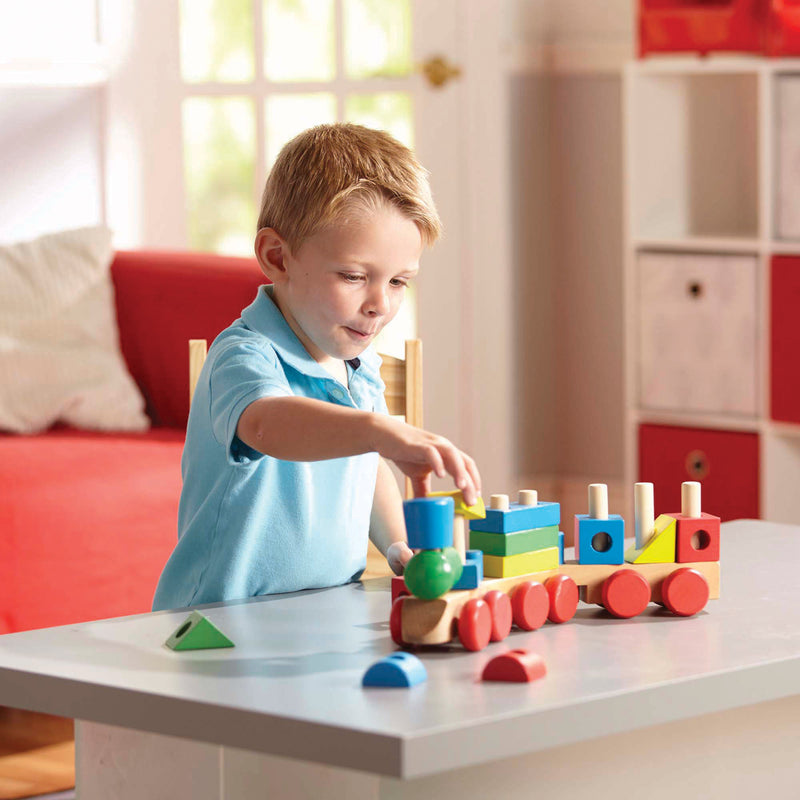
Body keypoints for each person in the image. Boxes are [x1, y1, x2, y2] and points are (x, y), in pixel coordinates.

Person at [152, 123, 480, 611]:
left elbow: (366, 473)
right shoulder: (243, 355)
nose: (379, 305)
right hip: (217, 621)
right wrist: (378, 429)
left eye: (398, 282)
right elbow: (268, 425)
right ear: (277, 257)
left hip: (321, 609)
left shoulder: (359, 368)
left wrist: (396, 547)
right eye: (353, 276)